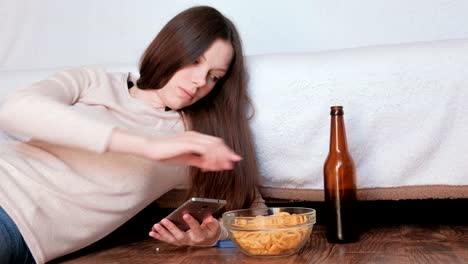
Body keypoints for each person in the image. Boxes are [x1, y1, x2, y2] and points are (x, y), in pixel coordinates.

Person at [0, 6, 264, 264]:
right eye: (195, 61)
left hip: (20, 232)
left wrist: (215, 234)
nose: (200, 81)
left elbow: (255, 213)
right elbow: (13, 110)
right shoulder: (94, 81)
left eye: (214, 77)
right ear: (172, 48)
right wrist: (146, 145)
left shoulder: (194, 139)